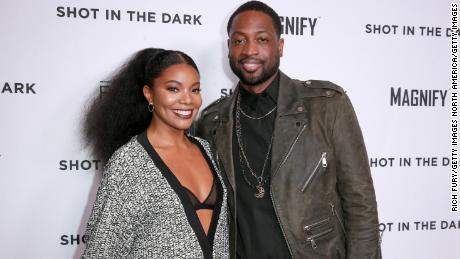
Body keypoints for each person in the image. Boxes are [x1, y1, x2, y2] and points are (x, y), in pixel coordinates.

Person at [196, 1, 381, 258]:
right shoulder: (212, 122)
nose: (249, 50)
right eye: (239, 41)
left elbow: (361, 205)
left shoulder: (327, 107)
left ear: (280, 46)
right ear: (228, 49)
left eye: (262, 39)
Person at [81, 48, 229, 258]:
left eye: (195, 90)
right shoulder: (130, 162)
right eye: (173, 89)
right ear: (149, 94)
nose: (188, 100)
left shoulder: (206, 149)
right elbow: (102, 252)